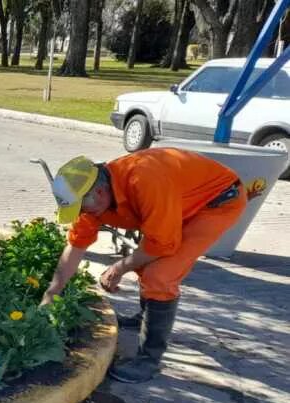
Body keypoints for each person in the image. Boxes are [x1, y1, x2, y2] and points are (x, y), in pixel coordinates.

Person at [42, 148, 245, 383]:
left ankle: (149, 359)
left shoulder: (144, 178)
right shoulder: (89, 200)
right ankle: (145, 317)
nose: (83, 214)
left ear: (98, 191)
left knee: (159, 275)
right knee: (145, 259)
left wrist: (118, 268)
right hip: (178, 201)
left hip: (216, 202)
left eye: (82, 208)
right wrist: (52, 292)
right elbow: (76, 247)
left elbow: (162, 244)